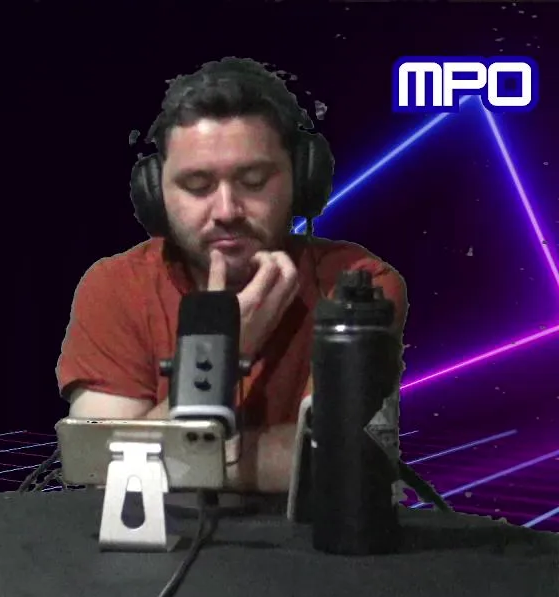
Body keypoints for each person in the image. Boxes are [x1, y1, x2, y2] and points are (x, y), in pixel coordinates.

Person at [57, 57, 408, 495]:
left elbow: (338, 465)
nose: (226, 211)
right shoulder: (114, 286)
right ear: (155, 193)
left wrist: (161, 454)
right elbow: (98, 466)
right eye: (197, 185)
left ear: (301, 179)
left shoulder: (358, 286)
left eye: (254, 180)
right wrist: (227, 350)